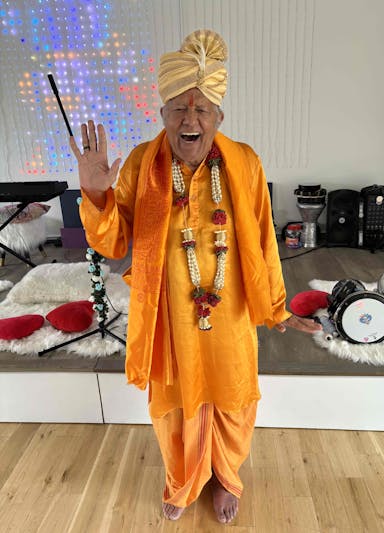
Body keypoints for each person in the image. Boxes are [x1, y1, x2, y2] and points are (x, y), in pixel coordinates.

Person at [70, 29, 321, 524]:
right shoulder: (142, 164)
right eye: (179, 109)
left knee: (232, 397)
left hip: (230, 314)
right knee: (173, 404)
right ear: (162, 114)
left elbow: (265, 241)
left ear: (218, 117)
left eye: (201, 109)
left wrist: (275, 308)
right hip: (168, 317)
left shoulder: (244, 161)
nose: (190, 120)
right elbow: (113, 242)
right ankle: (183, 479)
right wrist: (96, 194)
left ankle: (226, 476)